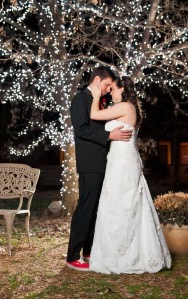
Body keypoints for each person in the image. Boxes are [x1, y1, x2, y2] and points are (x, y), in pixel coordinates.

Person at [88, 76, 172, 274]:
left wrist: (95, 96)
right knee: (122, 204)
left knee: (122, 205)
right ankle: (121, 251)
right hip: (121, 159)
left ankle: (125, 255)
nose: (111, 93)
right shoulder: (128, 107)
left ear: (123, 89)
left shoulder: (125, 106)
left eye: (114, 89)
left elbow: (93, 115)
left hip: (122, 162)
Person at [66, 66, 133, 271]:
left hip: (105, 162)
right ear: (97, 79)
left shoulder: (101, 102)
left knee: (96, 209)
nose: (106, 90)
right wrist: (108, 136)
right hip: (89, 163)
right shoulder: (80, 99)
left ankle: (88, 251)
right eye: (106, 85)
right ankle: (72, 256)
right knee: (86, 207)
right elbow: (82, 130)